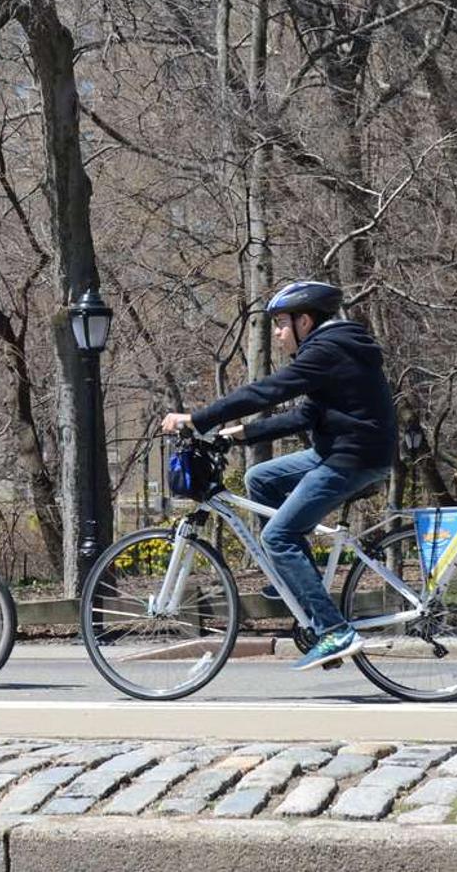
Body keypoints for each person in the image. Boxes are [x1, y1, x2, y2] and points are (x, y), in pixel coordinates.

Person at [160, 280, 396, 671]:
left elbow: (269, 390)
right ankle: (299, 587)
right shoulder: (333, 349)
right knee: (261, 478)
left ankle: (335, 630)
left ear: (305, 320)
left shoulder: (326, 350)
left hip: (353, 458)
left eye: (282, 323)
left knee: (279, 536)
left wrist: (198, 417)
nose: (278, 333)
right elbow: (305, 415)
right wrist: (242, 433)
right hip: (338, 451)